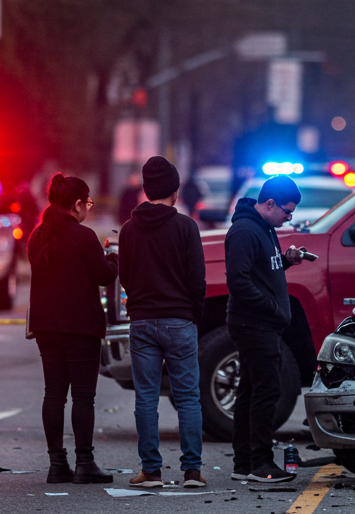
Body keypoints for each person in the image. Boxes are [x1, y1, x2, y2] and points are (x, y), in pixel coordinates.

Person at [120, 156, 207, 487]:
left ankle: (151, 470)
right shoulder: (186, 227)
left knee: (145, 397)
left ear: (144, 190)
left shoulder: (129, 230)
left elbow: (124, 276)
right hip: (180, 320)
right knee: (187, 396)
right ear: (175, 190)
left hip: (142, 321)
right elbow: (197, 280)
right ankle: (192, 470)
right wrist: (192, 316)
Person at [26, 173, 119, 484]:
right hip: (80, 327)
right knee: (83, 397)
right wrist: (114, 257)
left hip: (46, 327)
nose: (88, 209)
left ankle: (56, 463)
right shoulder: (83, 237)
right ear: (77, 204)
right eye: (87, 203)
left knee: (53, 394)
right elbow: (104, 276)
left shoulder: (37, 236)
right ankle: (85, 462)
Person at [224, 174, 303, 483]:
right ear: (269, 204)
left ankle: (243, 462)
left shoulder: (266, 229)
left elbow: (261, 269)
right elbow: (239, 281)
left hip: (259, 322)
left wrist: (285, 261)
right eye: (287, 210)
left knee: (249, 390)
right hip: (254, 323)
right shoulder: (244, 231)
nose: (290, 216)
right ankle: (261, 463)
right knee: (267, 390)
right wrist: (271, 308)